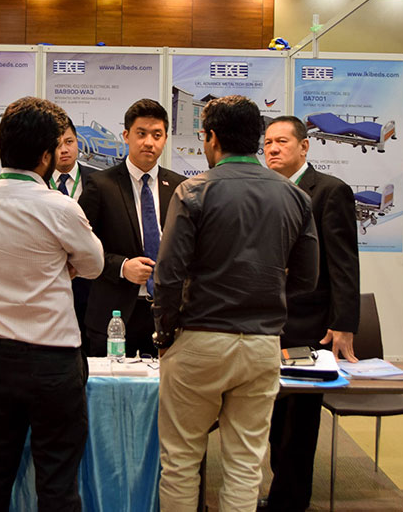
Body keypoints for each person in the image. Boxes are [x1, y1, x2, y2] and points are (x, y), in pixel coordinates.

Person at [152, 95, 320, 511]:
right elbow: (307, 278)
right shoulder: (295, 196)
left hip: (199, 341)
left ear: (211, 138)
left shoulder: (193, 191)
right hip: (262, 344)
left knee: (181, 461)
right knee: (246, 464)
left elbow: (168, 275)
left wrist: (164, 334)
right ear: (256, 139)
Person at [0, 96, 103, 511]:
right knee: (57, 483)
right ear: (46, 156)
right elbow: (93, 266)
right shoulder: (60, 207)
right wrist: (61, 266)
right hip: (54, 363)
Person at [260, 116, 360, 512]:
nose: (272, 149)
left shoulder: (330, 191)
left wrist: (344, 323)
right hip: (267, 323)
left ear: (304, 147)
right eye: (267, 142)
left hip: (309, 326)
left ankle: (290, 502)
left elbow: (344, 263)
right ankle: (281, 493)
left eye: (282, 141)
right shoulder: (265, 189)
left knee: (298, 425)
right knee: (273, 420)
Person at [78, 98, 185, 357]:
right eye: (141, 133)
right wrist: (122, 267)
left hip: (167, 315)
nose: (149, 142)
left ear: (165, 139)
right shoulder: (100, 185)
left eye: (157, 135)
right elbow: (81, 250)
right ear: (126, 136)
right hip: (113, 315)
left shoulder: (180, 187)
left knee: (164, 384)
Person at [50, 117, 96, 346]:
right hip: (48, 285)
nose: (64, 150)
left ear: (78, 142)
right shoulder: (37, 183)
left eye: (69, 142)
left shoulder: (98, 181)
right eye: (57, 145)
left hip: (88, 287)